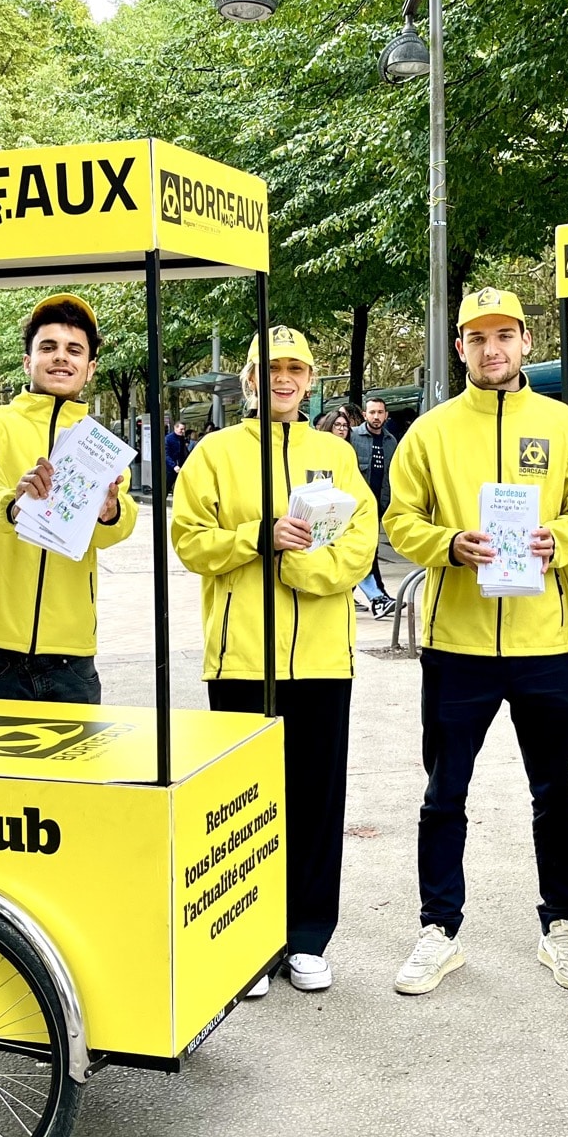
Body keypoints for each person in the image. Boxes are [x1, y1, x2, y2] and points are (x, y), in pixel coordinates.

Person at [383, 287, 568, 997]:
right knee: (445, 791)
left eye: (504, 335)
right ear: (460, 349)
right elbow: (400, 520)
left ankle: (561, 922)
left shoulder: (564, 426)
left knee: (556, 791)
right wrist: (450, 544)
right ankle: (438, 930)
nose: (492, 349)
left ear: (526, 343)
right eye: (478, 338)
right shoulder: (431, 431)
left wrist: (558, 540)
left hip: (548, 643)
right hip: (459, 646)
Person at [171, 325, 378, 995]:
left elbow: (360, 546)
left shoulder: (336, 456)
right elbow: (190, 542)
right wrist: (257, 538)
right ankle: (251, 941)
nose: (282, 379)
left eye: (295, 369)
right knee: (244, 806)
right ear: (249, 379)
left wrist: (302, 572)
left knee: (316, 802)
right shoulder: (215, 453)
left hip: (321, 657)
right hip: (240, 659)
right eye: (269, 368)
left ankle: (309, 936)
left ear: (311, 381)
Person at [0, 292, 137, 703]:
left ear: (90, 368)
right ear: (28, 361)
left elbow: (114, 529)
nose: (61, 358)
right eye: (47, 347)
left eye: (74, 350)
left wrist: (110, 512)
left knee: (75, 770)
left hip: (70, 656)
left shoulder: (105, 448)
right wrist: (13, 504)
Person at [350, 395, 398, 619]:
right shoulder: (353, 437)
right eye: (372, 412)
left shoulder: (391, 441)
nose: (376, 417)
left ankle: (352, 594)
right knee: (365, 550)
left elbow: (391, 476)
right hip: (355, 507)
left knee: (366, 550)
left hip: (378, 505)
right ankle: (378, 597)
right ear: (364, 415)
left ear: (386, 415)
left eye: (380, 412)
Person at [165, 421, 189, 489]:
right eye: (181, 429)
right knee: (166, 487)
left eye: (184, 429)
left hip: (180, 466)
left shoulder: (181, 439)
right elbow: (166, 454)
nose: (183, 431)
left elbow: (184, 453)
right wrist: (174, 466)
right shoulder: (168, 439)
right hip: (170, 468)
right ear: (175, 428)